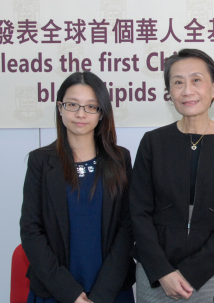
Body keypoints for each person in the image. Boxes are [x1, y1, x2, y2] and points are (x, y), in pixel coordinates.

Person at [130, 48, 214, 302]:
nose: (187, 90)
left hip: (212, 271)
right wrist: (163, 271)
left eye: (196, 80)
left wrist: (192, 272)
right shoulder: (153, 142)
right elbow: (138, 212)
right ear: (169, 92)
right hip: (156, 271)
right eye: (178, 82)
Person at [20, 71, 135, 303]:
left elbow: (128, 227)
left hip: (111, 291)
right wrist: (69, 293)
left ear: (102, 113)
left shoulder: (120, 159)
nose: (81, 114)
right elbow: (32, 230)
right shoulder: (41, 162)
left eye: (91, 106)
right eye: (72, 104)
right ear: (60, 107)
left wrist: (102, 294)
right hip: (55, 290)